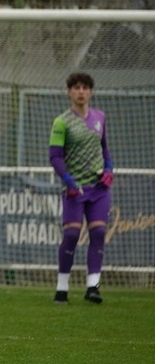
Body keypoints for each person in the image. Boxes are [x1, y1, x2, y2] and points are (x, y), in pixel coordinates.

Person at [49, 72, 113, 305]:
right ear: (69, 92)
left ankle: (93, 287)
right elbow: (55, 157)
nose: (81, 92)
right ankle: (62, 288)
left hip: (98, 189)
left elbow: (104, 148)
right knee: (71, 235)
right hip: (75, 190)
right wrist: (68, 180)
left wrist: (109, 169)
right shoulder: (61, 122)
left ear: (91, 92)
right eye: (76, 88)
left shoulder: (100, 117)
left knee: (98, 233)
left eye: (85, 88)